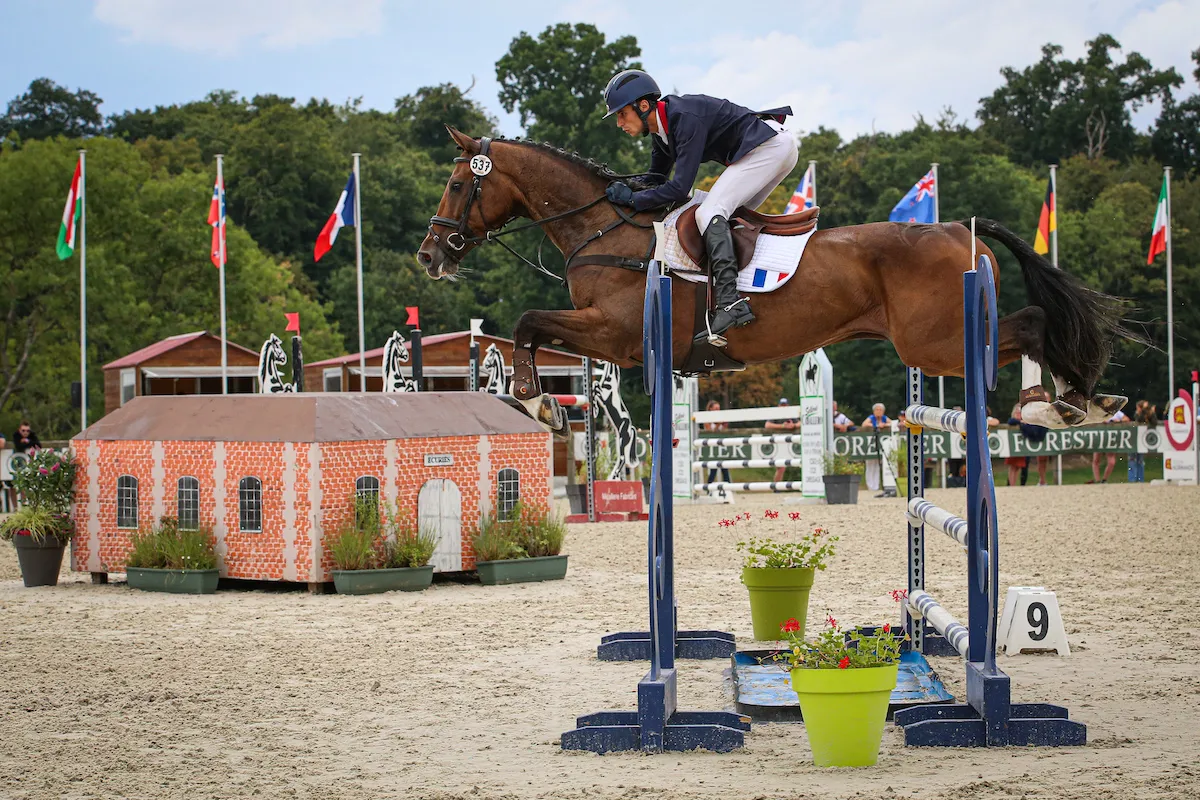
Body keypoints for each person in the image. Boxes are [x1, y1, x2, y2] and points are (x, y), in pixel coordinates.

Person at [602, 69, 798, 339]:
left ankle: (729, 303)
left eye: (622, 114)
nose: (619, 123)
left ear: (643, 105)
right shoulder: (661, 131)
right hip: (773, 147)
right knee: (734, 219)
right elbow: (656, 178)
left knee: (708, 213)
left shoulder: (683, 118)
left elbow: (679, 189)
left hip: (768, 148)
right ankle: (748, 294)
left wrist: (634, 200)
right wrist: (619, 185)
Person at [1089, 408, 1128, 483]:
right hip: (1099, 437)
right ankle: (1097, 480)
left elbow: (1126, 419)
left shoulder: (1115, 412)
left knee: (1111, 461)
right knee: (1096, 459)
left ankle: (1104, 479)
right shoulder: (1098, 412)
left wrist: (1118, 421)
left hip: (1111, 439)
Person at [764, 397, 797, 484]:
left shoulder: (791, 414)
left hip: (789, 442)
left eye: (785, 405)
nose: (783, 407)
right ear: (779, 406)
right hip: (778, 442)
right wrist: (782, 426)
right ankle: (776, 487)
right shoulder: (775, 414)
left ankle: (777, 487)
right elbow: (767, 425)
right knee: (781, 467)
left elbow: (800, 423)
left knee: (784, 467)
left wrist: (793, 425)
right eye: (782, 405)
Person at [860, 403, 891, 492]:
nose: (879, 411)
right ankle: (870, 486)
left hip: (880, 443)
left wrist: (884, 425)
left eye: (880, 410)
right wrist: (876, 425)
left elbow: (892, 423)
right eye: (877, 410)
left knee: (877, 466)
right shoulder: (871, 418)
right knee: (870, 465)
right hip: (871, 444)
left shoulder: (884, 418)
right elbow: (864, 424)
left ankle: (876, 486)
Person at [702, 400, 732, 486]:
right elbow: (710, 432)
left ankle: (728, 487)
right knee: (713, 470)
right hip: (712, 447)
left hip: (722, 446)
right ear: (710, 409)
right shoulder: (707, 419)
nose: (717, 410)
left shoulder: (722, 418)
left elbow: (725, 432)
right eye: (715, 408)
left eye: (718, 408)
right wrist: (718, 424)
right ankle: (708, 488)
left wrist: (721, 423)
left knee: (725, 469)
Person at [1129, 400, 1157, 483]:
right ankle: (1132, 479)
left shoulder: (1147, 414)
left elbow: (1154, 422)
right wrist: (1143, 411)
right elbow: (1139, 420)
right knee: (1132, 459)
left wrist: (1152, 413)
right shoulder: (1137, 414)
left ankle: (1140, 479)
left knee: (1140, 460)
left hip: (1142, 439)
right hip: (1133, 438)